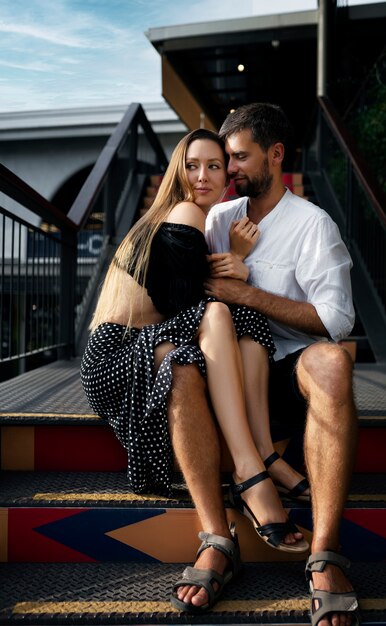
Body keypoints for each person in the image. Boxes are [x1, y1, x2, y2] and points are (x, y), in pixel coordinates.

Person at [80, 128, 308, 615]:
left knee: (242, 316)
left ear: (228, 174)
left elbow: (193, 306)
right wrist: (239, 261)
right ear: (177, 172)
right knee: (221, 315)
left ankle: (261, 459)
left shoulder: (197, 220)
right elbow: (193, 305)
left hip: (150, 343)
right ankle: (252, 473)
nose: (202, 176)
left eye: (214, 166)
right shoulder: (184, 213)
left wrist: (235, 269)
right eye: (192, 165)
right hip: (114, 356)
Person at [204, 103, 360, 626]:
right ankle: (219, 537)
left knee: (335, 363)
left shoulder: (314, 226)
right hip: (226, 373)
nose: (231, 169)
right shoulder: (218, 219)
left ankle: (325, 553)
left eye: (241, 157)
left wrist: (246, 293)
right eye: (227, 158)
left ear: (276, 155)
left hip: (288, 369)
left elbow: (336, 319)